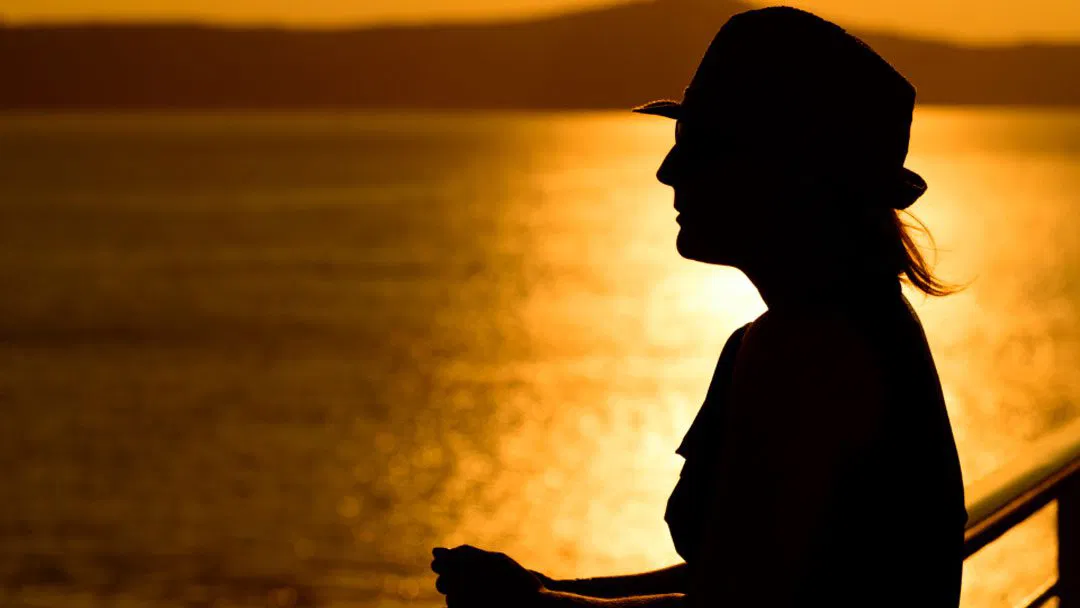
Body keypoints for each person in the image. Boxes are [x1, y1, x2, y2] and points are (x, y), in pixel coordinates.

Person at [430, 6, 968, 607]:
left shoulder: (806, 351)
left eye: (704, 149)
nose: (667, 172)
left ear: (787, 177)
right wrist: (553, 593)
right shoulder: (861, 325)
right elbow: (748, 573)